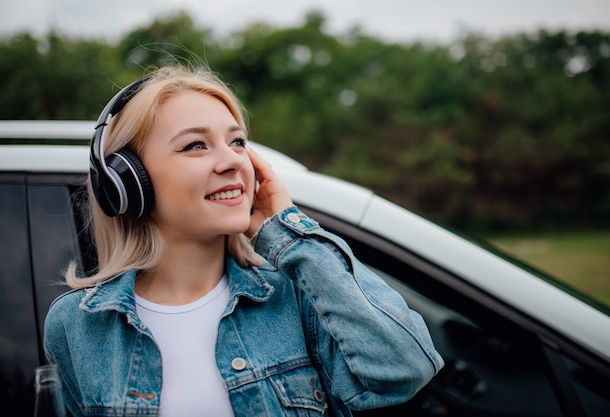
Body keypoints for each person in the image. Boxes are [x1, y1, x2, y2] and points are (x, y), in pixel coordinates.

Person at [44, 64, 444, 417]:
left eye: (236, 141)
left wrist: (288, 233)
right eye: (195, 145)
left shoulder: (298, 298)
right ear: (128, 182)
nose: (234, 160)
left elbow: (406, 368)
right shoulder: (76, 326)